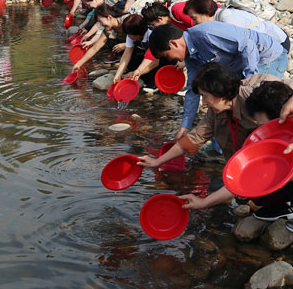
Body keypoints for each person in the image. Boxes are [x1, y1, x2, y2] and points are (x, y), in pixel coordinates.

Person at [138, 63, 293, 221]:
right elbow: (194, 138)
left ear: (220, 93)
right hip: (258, 157)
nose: (204, 102)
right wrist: (158, 162)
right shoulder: (216, 112)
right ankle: (277, 204)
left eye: (205, 96)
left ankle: (283, 204)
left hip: (277, 152)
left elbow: (285, 89)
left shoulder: (256, 96)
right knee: (251, 188)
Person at [148, 22, 286, 139]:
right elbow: (193, 90)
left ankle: (274, 144)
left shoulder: (206, 34)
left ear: (173, 43)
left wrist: (249, 81)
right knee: (222, 105)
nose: (170, 60)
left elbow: (248, 46)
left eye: (166, 56)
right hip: (239, 67)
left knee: (252, 107)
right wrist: (185, 126)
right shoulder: (190, 57)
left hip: (266, 57)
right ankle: (222, 147)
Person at [183, 0, 290, 57]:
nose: (194, 23)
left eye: (194, 18)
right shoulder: (218, 19)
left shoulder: (227, 19)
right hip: (266, 44)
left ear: (205, 12)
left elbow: (245, 46)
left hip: (277, 42)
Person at [113, 14, 172, 88]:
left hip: (162, 58)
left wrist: (138, 72)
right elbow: (126, 54)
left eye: (131, 34)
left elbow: (155, 61)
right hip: (147, 56)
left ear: (139, 32)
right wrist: (118, 75)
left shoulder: (152, 34)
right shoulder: (131, 36)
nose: (129, 37)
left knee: (156, 68)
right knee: (132, 61)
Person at [72, 4, 129, 72]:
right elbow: (95, 48)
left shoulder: (127, 21)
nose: (101, 25)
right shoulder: (108, 29)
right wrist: (79, 64)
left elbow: (139, 39)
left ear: (109, 17)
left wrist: (125, 45)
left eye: (101, 22)